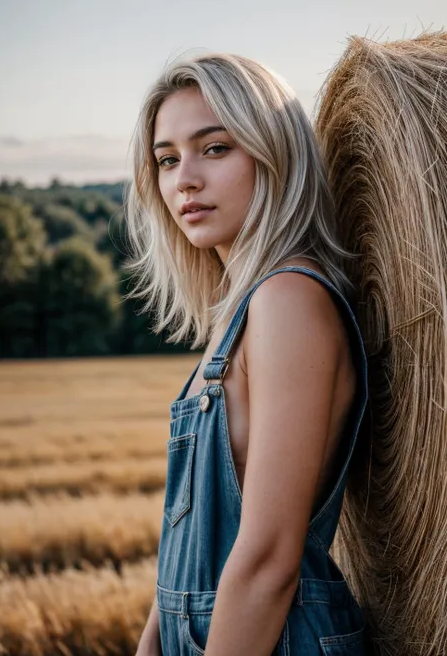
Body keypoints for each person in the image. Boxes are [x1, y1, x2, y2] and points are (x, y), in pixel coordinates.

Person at [126, 52, 369, 656]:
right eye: (166, 158)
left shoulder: (288, 299)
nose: (184, 179)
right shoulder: (239, 311)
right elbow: (191, 543)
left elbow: (266, 560)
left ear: (273, 153)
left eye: (214, 148)